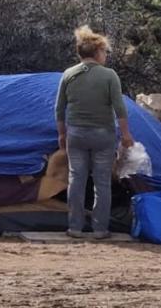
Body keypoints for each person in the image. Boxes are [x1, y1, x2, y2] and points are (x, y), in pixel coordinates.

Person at [56, 26, 134, 240]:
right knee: (102, 182)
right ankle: (100, 229)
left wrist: (62, 134)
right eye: (105, 52)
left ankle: (75, 227)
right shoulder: (109, 76)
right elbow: (119, 108)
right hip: (103, 135)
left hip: (76, 134)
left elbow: (59, 108)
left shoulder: (68, 74)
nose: (105, 55)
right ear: (98, 52)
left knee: (76, 179)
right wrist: (126, 134)